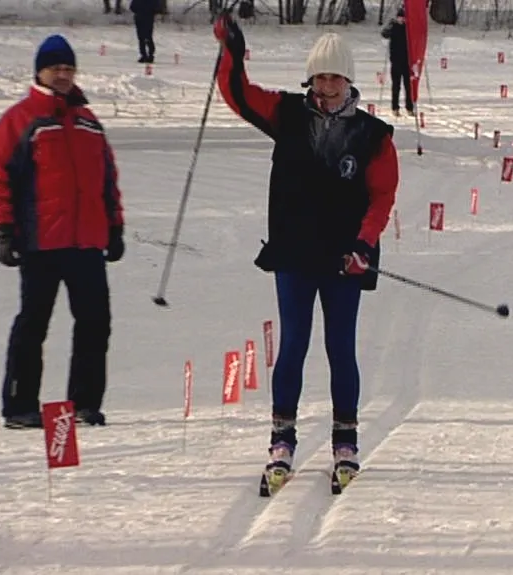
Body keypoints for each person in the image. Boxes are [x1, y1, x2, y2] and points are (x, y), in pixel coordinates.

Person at [213, 14, 399, 491]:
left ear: (349, 80)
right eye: (321, 76)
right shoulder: (287, 113)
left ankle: (345, 441)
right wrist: (232, 49)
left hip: (344, 261)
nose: (328, 85)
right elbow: (238, 94)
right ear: (311, 79)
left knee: (340, 347)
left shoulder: (373, 136)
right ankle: (282, 440)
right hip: (295, 255)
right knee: (293, 344)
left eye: (336, 77)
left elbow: (382, 198)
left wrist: (364, 245)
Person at [0, 34, 125, 430]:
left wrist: (114, 227)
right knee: (33, 323)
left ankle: (85, 403)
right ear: (40, 72)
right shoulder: (20, 120)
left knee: (95, 321)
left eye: (68, 68)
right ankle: (20, 404)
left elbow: (107, 180)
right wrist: (3, 230)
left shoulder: (88, 123)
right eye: (55, 68)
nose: (62, 75)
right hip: (40, 242)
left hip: (87, 242)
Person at [380, 7, 413, 117]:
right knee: (396, 86)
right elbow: (384, 34)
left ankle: (409, 108)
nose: (401, 20)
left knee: (408, 87)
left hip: (407, 62)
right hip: (395, 61)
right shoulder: (393, 27)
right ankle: (395, 108)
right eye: (400, 18)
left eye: (403, 18)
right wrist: (390, 24)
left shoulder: (408, 28)